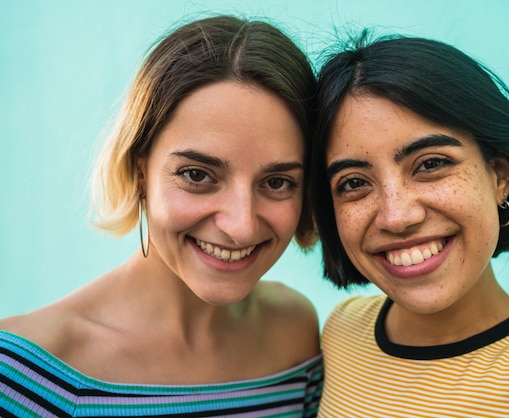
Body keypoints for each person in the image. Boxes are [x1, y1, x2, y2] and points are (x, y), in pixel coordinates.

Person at [0, 15, 322, 417]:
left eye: (277, 182)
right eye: (197, 175)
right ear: (139, 172)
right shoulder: (17, 375)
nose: (241, 226)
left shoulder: (296, 331)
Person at [311, 33, 509, 417]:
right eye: (354, 183)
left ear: (499, 176)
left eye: (431, 164)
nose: (397, 216)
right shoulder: (341, 332)